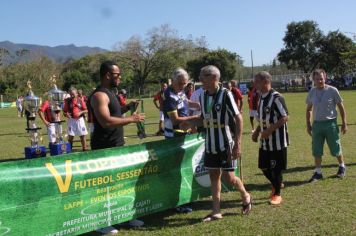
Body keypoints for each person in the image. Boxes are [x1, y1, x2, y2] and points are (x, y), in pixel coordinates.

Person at [89, 61, 145, 233]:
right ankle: (101, 222)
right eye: (117, 74)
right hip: (104, 147)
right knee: (105, 186)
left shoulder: (110, 93)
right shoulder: (99, 95)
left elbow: (115, 112)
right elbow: (106, 121)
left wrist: (127, 108)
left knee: (120, 183)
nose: (120, 77)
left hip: (117, 145)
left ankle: (125, 217)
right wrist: (132, 119)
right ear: (107, 75)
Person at [197, 65, 251, 222]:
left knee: (229, 178)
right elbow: (203, 117)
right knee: (214, 176)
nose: (201, 80)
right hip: (210, 144)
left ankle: (245, 194)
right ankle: (216, 211)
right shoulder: (203, 95)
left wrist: (238, 143)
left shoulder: (226, 94)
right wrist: (188, 122)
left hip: (226, 143)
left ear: (214, 78)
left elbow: (238, 118)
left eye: (203, 76)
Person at [162, 68, 200, 213]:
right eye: (181, 84)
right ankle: (176, 202)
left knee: (184, 167)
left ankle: (183, 199)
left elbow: (184, 102)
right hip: (174, 136)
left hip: (184, 134)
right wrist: (195, 120)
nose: (183, 87)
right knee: (176, 169)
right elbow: (175, 119)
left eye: (185, 84)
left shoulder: (180, 91)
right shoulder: (169, 95)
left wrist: (193, 104)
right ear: (174, 81)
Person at [252, 71, 289, 205]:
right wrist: (257, 131)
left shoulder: (277, 97)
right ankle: (277, 183)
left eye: (256, 81)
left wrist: (269, 130)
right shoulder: (260, 97)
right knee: (263, 166)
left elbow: (285, 117)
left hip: (277, 141)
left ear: (265, 82)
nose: (254, 84)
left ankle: (277, 194)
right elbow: (262, 118)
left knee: (275, 168)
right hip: (265, 140)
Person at [306, 69, 347, 182]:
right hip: (317, 125)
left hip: (331, 124)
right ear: (313, 80)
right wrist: (308, 124)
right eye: (317, 79)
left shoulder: (333, 90)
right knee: (316, 149)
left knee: (335, 147)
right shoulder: (312, 92)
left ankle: (342, 166)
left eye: (321, 78)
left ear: (325, 78)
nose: (320, 81)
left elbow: (341, 107)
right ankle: (318, 172)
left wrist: (344, 123)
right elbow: (309, 110)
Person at [63, 87, 88, 151]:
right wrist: (66, 114)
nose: (72, 96)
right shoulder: (68, 101)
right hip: (72, 120)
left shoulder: (80, 100)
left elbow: (86, 110)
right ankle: (69, 150)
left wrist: (80, 113)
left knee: (82, 136)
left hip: (80, 120)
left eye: (73, 94)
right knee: (70, 137)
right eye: (71, 94)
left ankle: (85, 149)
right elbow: (64, 112)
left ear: (77, 94)